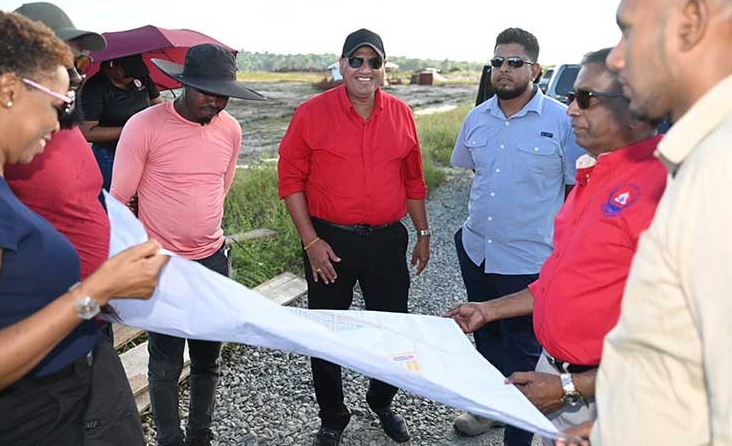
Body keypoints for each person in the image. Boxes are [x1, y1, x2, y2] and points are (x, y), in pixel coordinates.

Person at [0, 9, 168, 445]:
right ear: (7, 92)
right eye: (58, 105)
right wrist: (94, 292)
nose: (59, 123)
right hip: (25, 417)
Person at [557, 0, 732, 445]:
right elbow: (685, 365)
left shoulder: (721, 172)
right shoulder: (702, 158)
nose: (615, 57)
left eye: (628, 30)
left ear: (691, 22)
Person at [445, 48, 665, 444]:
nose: (570, 111)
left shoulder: (666, 193)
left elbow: (682, 344)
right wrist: (487, 310)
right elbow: (558, 281)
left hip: (613, 393)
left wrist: (572, 389)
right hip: (561, 373)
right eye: (570, 98)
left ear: (637, 107)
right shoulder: (593, 175)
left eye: (586, 99)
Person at [278, 28, 431, 446]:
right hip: (330, 243)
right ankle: (333, 416)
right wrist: (312, 242)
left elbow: (413, 179)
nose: (365, 69)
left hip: (386, 242)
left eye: (373, 62)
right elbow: (290, 179)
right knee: (326, 333)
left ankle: (381, 400)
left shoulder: (401, 113)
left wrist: (422, 232)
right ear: (342, 65)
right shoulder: (311, 113)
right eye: (356, 61)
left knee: (394, 327)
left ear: (383, 68)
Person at [7, 1, 148, 445]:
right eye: (62, 61)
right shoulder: (2, 148)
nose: (78, 72)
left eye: (81, 61)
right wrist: (90, 294)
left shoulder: (60, 126)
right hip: (44, 349)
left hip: (90, 331)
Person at [111, 43, 264, 446]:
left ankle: (200, 435)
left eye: (222, 94)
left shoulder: (231, 129)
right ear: (182, 85)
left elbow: (221, 188)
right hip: (163, 263)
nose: (215, 102)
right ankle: (168, 438)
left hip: (212, 260)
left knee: (207, 359)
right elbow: (118, 200)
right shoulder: (143, 126)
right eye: (205, 92)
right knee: (164, 360)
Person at [449, 27, 581, 446]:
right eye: (497, 62)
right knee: (486, 341)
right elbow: (474, 172)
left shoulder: (561, 121)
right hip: (478, 252)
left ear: (535, 69)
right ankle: (490, 409)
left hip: (530, 262)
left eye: (514, 62)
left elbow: (576, 188)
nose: (503, 70)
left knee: (525, 357)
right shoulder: (477, 118)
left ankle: (518, 434)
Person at [80, 54, 162, 190]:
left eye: (135, 74)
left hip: (142, 151)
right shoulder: (95, 88)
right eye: (128, 74)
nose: (131, 78)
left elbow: (158, 105)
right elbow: (87, 132)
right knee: (113, 200)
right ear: (112, 65)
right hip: (111, 155)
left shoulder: (141, 77)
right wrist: (129, 129)